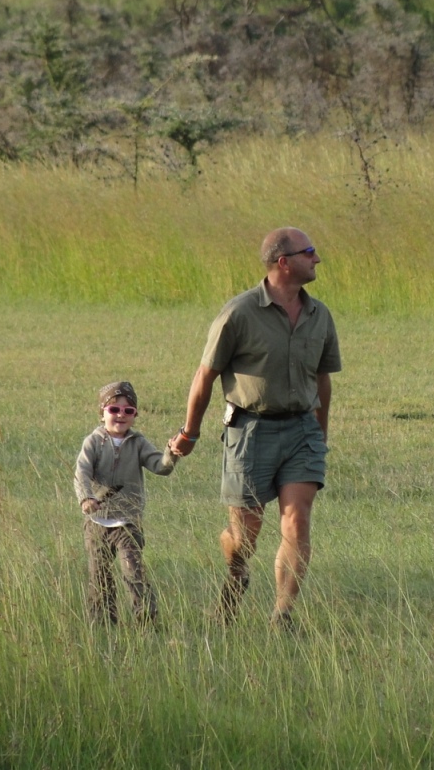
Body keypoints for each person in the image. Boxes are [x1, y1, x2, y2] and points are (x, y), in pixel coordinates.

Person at [169, 227, 341, 629]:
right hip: (250, 431)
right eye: (309, 252)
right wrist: (189, 433)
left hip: (302, 431)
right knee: (245, 537)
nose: (317, 259)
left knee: (297, 520)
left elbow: (323, 379)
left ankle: (282, 614)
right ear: (284, 262)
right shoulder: (239, 313)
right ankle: (236, 576)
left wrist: (320, 433)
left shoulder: (320, 315)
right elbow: (204, 376)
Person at [74, 380, 179, 625]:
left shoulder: (138, 443)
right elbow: (81, 472)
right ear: (102, 413)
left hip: (128, 523)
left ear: (134, 415)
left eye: (128, 411)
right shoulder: (93, 442)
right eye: (114, 409)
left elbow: (160, 467)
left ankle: (147, 620)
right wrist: (86, 498)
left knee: (133, 571)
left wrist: (172, 452)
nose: (121, 415)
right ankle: (103, 624)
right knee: (99, 576)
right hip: (97, 522)